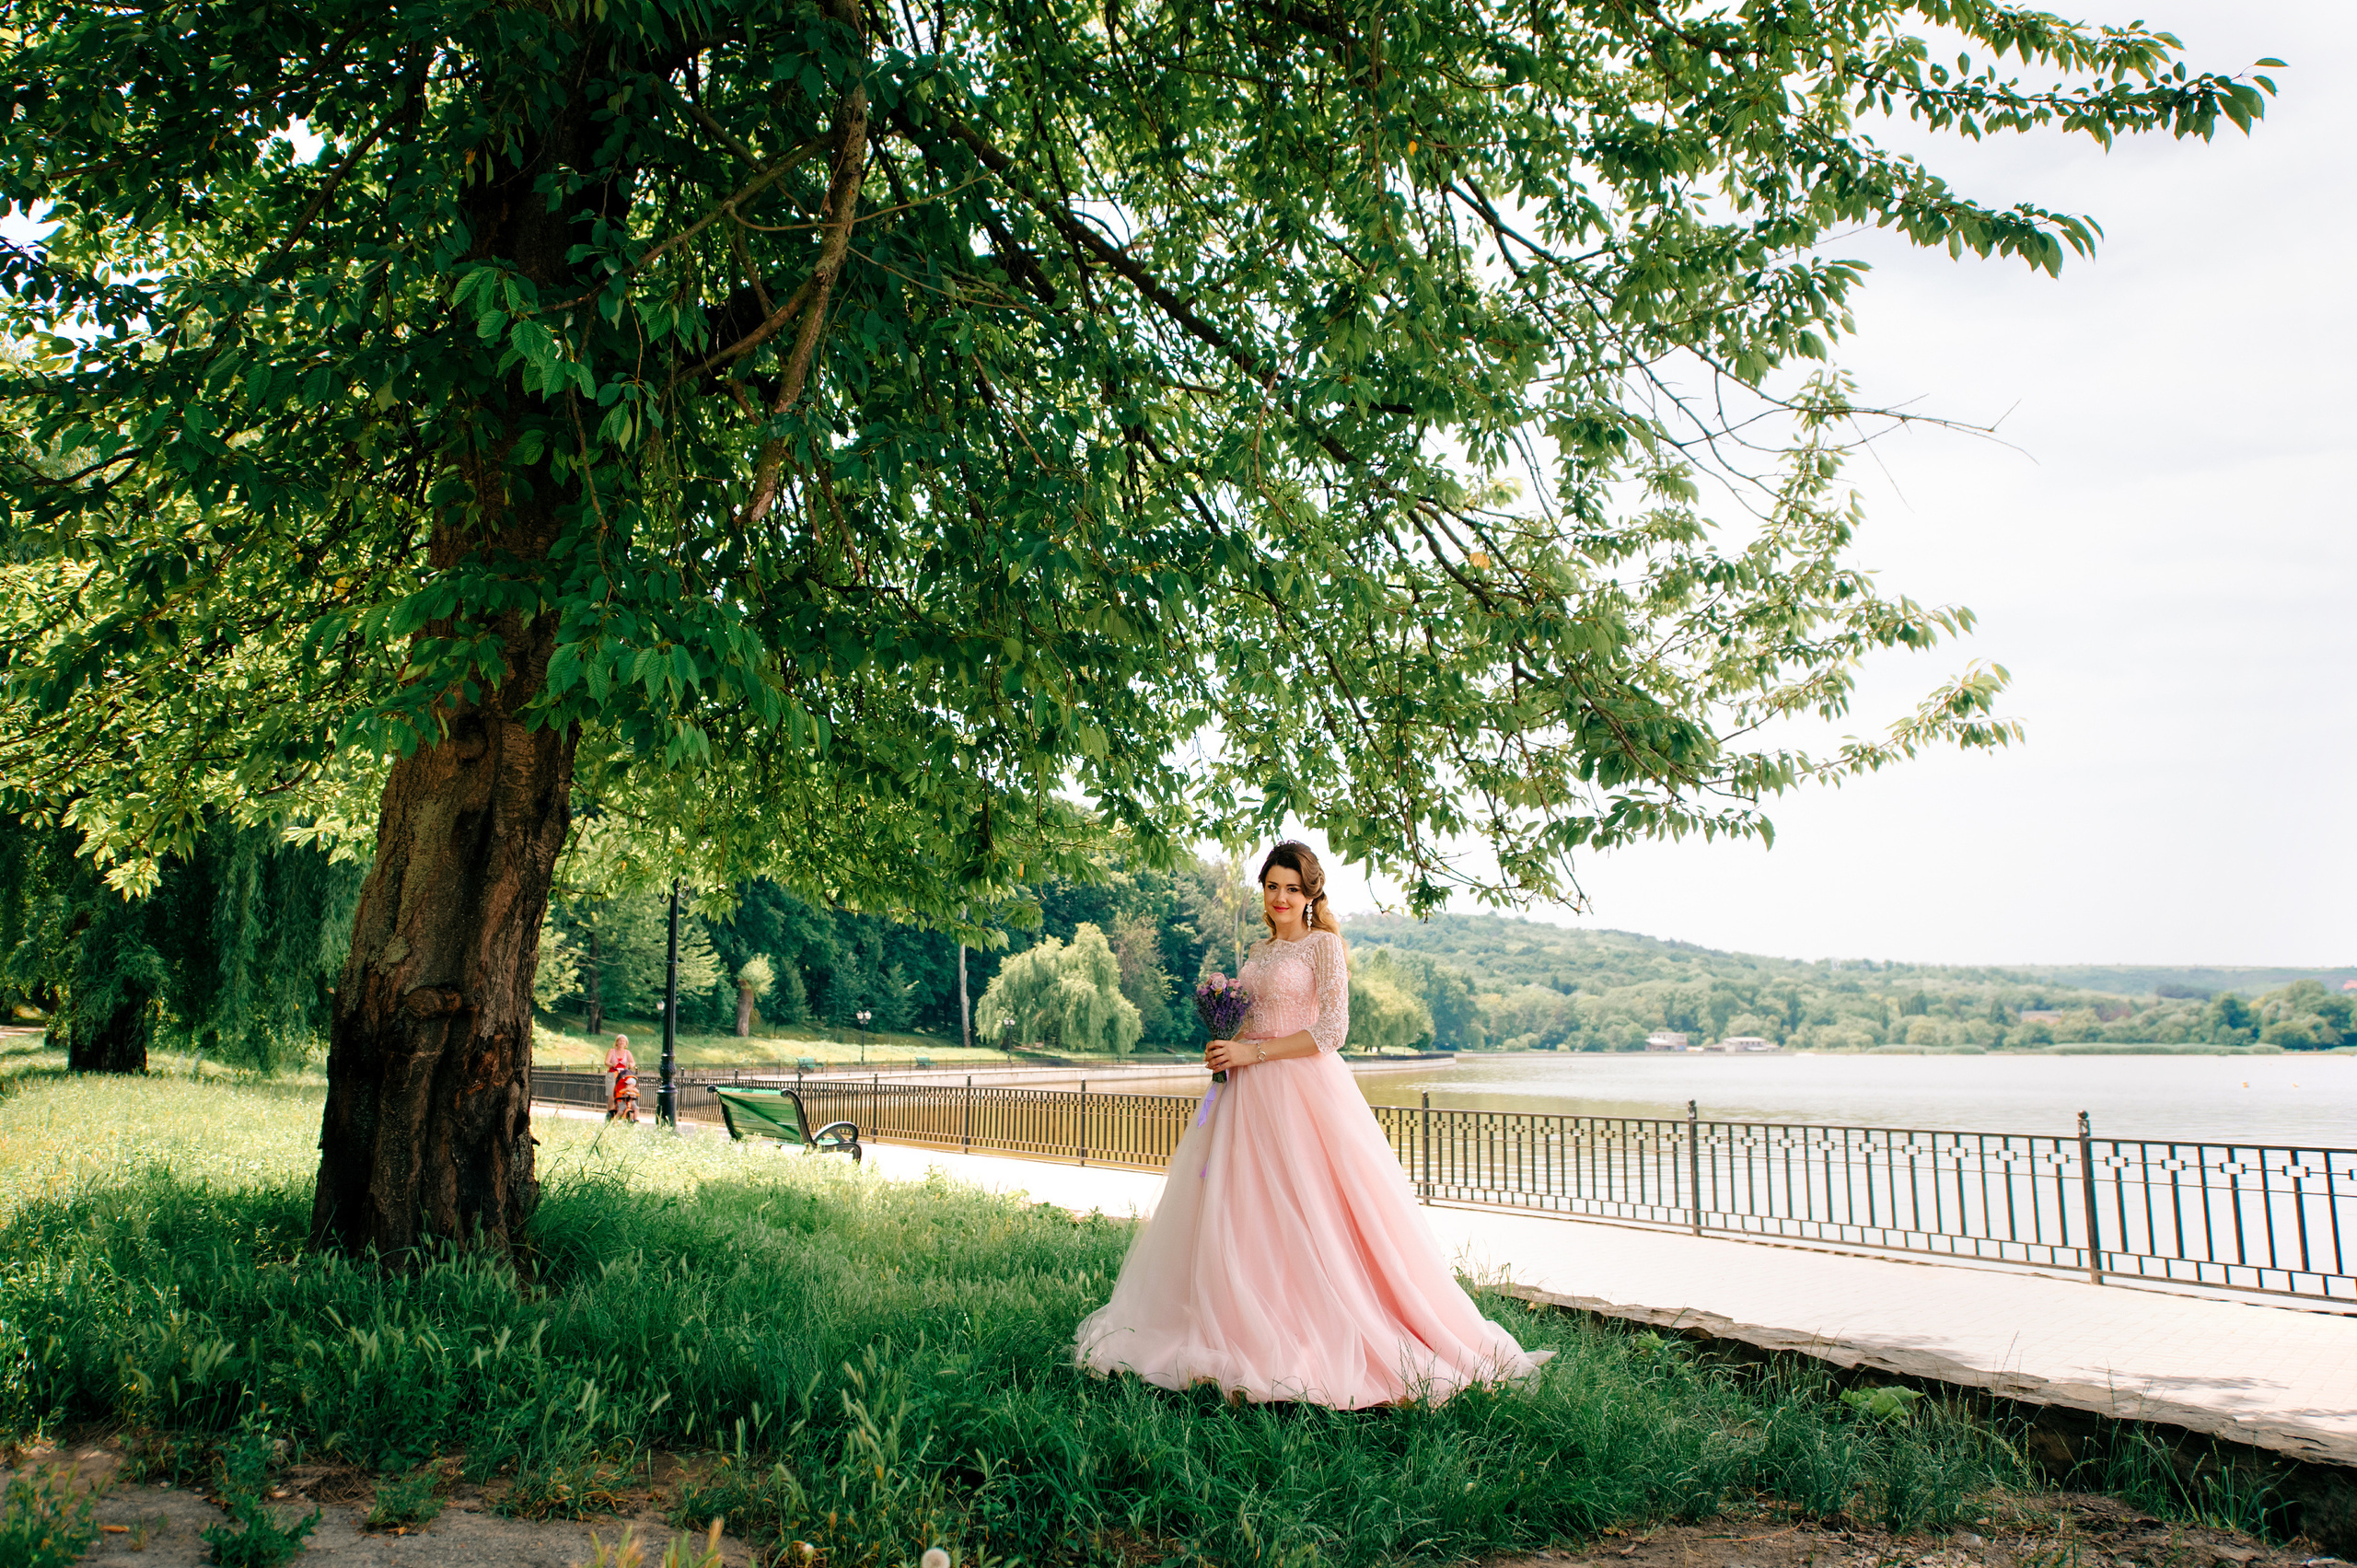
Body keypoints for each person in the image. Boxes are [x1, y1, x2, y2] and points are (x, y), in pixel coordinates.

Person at [1074, 841, 1550, 1408]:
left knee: (1313, 1209)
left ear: (1311, 894)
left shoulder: (1323, 946)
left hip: (1300, 1091)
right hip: (1243, 1096)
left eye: (1292, 888)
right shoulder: (1258, 949)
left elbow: (1332, 1031)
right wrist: (1230, 1043)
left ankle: (1327, 1323)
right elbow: (1254, 1020)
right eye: (1272, 886)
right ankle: (1231, 1313)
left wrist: (1257, 1054)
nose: (1280, 897)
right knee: (1241, 1208)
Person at [604, 1033, 636, 1116]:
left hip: (622, 1075)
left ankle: (621, 1113)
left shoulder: (627, 1052)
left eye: (624, 1041)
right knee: (611, 1097)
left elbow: (632, 1062)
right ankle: (610, 1114)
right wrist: (612, 1064)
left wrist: (631, 1065)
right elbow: (606, 1062)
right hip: (612, 1074)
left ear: (626, 1043)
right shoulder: (612, 1051)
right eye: (620, 1041)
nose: (622, 1043)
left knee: (621, 1095)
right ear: (617, 1042)